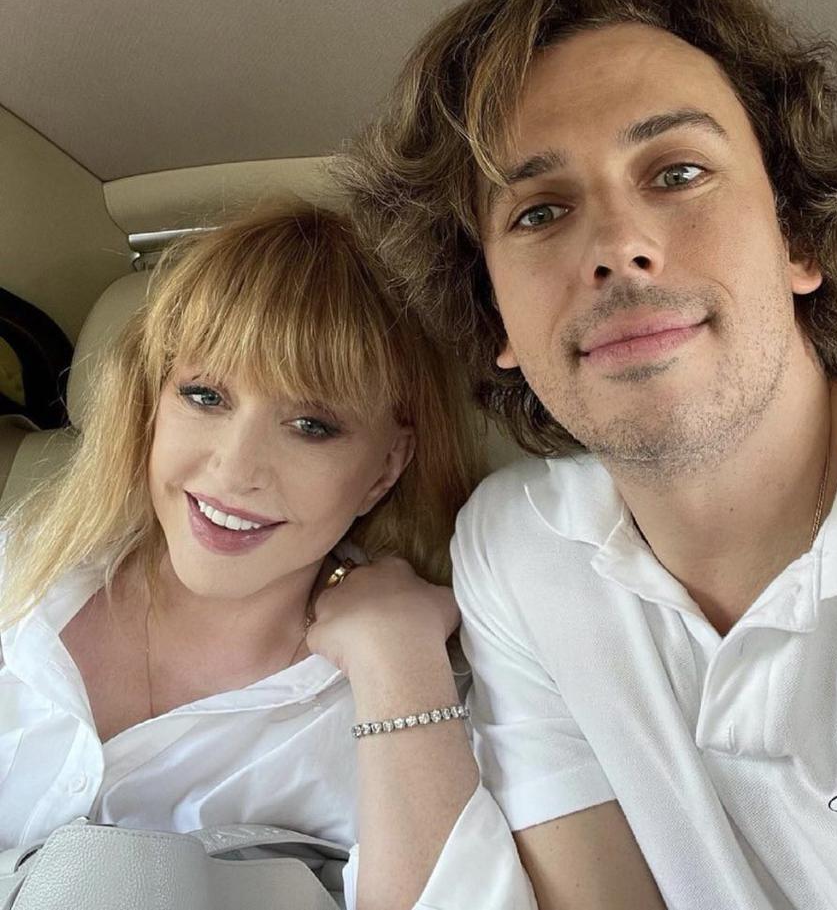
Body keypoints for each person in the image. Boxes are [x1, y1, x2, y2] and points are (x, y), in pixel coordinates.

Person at [343, 0, 837, 910]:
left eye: (677, 173)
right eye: (538, 212)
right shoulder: (515, 548)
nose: (618, 246)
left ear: (796, 238)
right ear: (496, 318)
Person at [0, 200, 536, 910]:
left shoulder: (416, 698)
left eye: (311, 425)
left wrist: (397, 662)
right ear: (151, 404)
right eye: (204, 396)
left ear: (385, 467)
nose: (235, 468)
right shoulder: (22, 568)